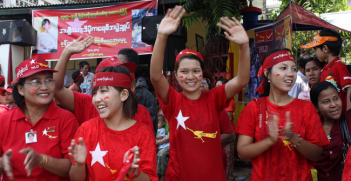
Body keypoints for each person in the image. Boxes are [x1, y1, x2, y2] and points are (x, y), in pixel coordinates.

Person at [150, 6, 250, 180]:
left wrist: (244, 46)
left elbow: (241, 80)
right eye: (184, 71)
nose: (190, 77)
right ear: (175, 75)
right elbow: (155, 76)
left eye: (196, 71)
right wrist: (161, 36)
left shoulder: (214, 97)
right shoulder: (172, 100)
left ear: (202, 73)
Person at [235, 48, 330, 180]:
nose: (290, 74)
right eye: (284, 68)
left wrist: (294, 138)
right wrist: (270, 141)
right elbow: (242, 153)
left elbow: (317, 154)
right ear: (268, 73)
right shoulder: (254, 108)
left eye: (294, 69)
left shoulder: (306, 107)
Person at [68, 66, 157, 181]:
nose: (97, 99)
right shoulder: (86, 129)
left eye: (103, 91)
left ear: (124, 95)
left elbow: (149, 178)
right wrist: (79, 164)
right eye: (94, 93)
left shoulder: (143, 134)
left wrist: (134, 172)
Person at [0, 55, 79, 180]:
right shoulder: (4, 121)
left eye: (48, 80)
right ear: (20, 89)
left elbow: (74, 167)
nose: (44, 87)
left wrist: (43, 160)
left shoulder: (66, 119)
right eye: (36, 82)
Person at [53, 37, 154, 133]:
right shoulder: (87, 105)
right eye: (99, 91)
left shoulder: (140, 112)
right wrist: (66, 53)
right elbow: (57, 89)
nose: (98, 99)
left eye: (125, 71)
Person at [301, 28, 351, 112]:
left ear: (325, 48)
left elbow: (349, 89)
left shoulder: (339, 66)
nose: (315, 53)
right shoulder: (325, 68)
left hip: (341, 115)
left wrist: (348, 114)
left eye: (316, 49)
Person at [310, 81, 351, 181]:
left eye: (336, 98)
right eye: (326, 101)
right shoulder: (310, 127)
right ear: (316, 107)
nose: (333, 104)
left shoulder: (349, 120)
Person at [156, 114, 169, 181]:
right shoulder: (156, 128)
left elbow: (164, 138)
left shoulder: (162, 129)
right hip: (158, 145)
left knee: (161, 155)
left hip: (163, 145)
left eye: (158, 122)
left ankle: (162, 175)